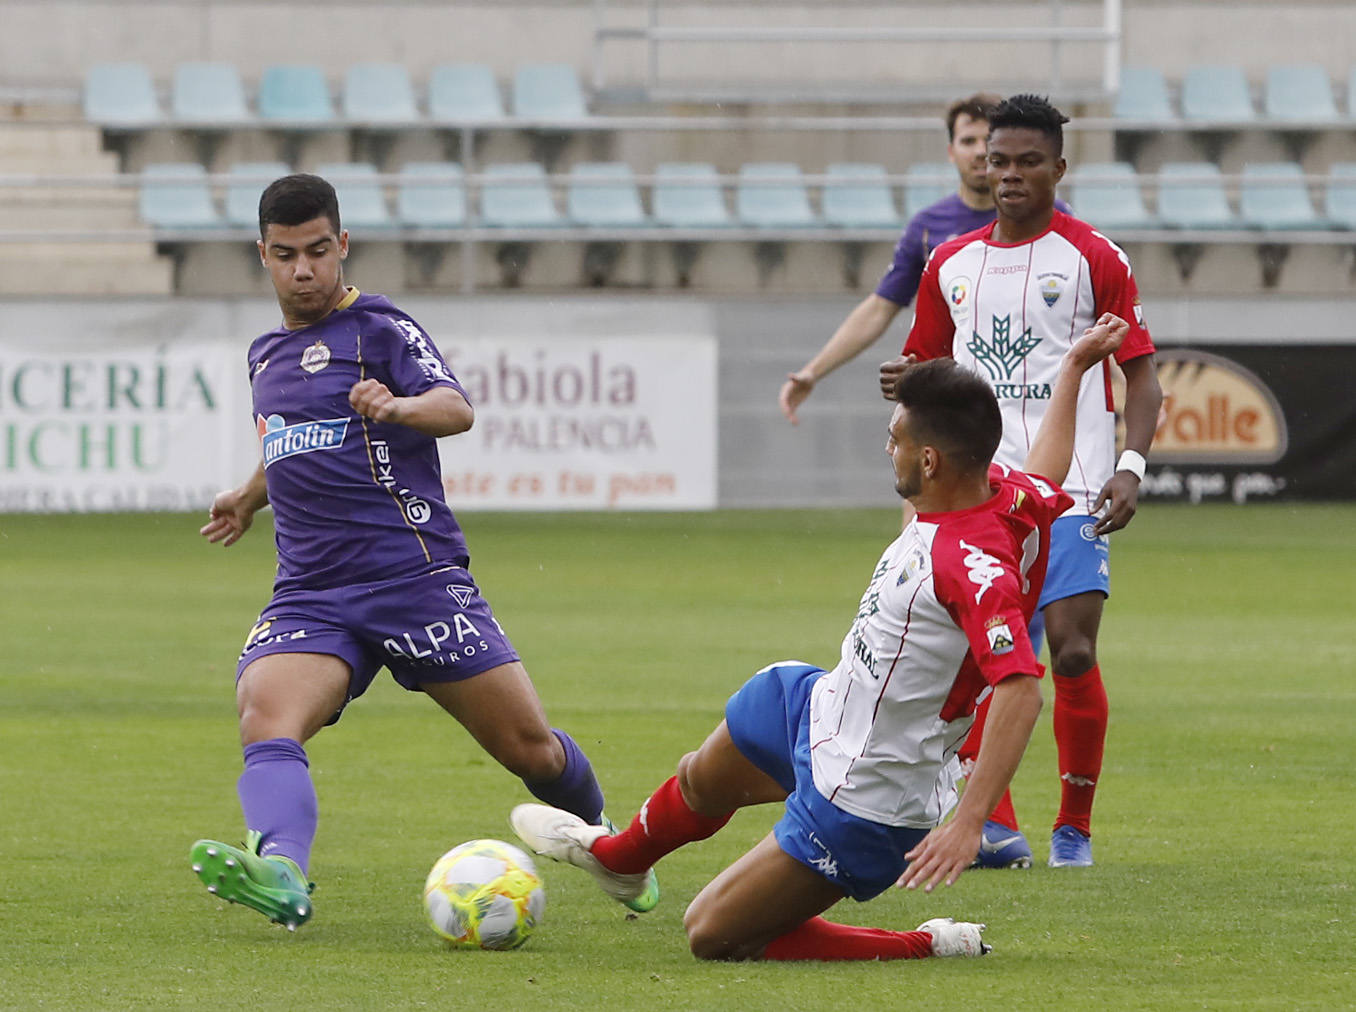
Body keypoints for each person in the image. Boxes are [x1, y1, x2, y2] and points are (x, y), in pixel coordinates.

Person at [510, 315, 1129, 962]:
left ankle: (924, 942)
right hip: (822, 706)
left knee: (712, 933)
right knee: (705, 772)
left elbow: (1022, 689)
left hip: (870, 793)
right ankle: (617, 860)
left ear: (929, 460)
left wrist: (970, 823)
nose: (885, 448)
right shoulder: (1006, 493)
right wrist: (1073, 369)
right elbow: (1049, 474)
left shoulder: (972, 568)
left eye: (893, 439)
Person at [188, 173, 656, 929]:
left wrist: (398, 406)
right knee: (265, 715)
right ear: (263, 255)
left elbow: (456, 407)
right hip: (312, 593)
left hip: (414, 580)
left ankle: (616, 848)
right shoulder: (265, 354)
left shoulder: (380, 329)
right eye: (285, 255)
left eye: (316, 251)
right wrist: (249, 495)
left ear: (342, 245)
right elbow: (289, 440)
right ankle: (280, 870)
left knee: (531, 750)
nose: (302, 270)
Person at [879, 94, 1164, 870]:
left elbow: (1142, 378)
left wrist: (1131, 467)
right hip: (978, 498)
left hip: (1073, 488)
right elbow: (924, 373)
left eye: (1026, 161)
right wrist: (905, 381)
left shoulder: (1093, 257)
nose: (1007, 174)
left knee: (1069, 651)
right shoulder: (951, 262)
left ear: (1058, 168)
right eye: (996, 160)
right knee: (977, 656)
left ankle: (1074, 824)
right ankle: (995, 825)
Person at [779, 92, 1069, 426]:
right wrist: (813, 372)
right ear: (950, 152)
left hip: (1036, 403)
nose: (978, 151)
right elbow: (879, 307)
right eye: (967, 140)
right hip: (957, 411)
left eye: (986, 141)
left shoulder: (1053, 219)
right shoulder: (929, 228)